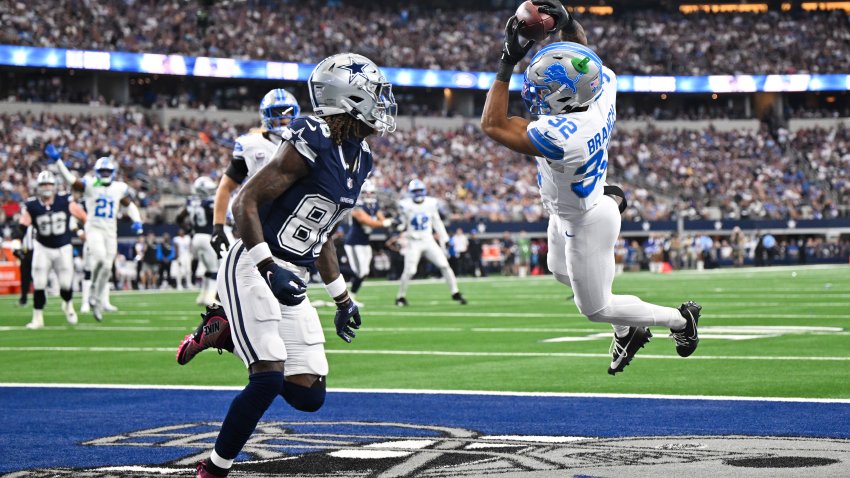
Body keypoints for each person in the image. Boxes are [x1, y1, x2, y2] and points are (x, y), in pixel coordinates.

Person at [191, 53, 396, 478]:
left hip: (294, 274)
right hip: (253, 261)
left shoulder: (361, 157)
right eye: (375, 95)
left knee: (309, 394)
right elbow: (245, 200)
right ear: (349, 97)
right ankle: (213, 469)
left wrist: (342, 299)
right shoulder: (311, 134)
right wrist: (269, 268)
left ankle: (227, 334)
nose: (382, 104)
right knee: (266, 378)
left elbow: (322, 233)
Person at [479, 1, 700, 375]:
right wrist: (567, 22)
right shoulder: (602, 86)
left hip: (584, 217)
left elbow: (493, 124)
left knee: (594, 307)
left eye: (544, 88)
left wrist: (506, 60)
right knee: (558, 270)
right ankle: (628, 328)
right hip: (572, 204)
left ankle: (681, 321)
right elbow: (581, 58)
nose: (535, 92)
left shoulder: (564, 136)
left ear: (565, 98)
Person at [46, 147, 144, 321]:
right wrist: (58, 161)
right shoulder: (90, 184)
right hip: (94, 229)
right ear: (97, 172)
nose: (105, 173)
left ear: (112, 172)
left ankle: (97, 301)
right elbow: (71, 180)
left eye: (108, 171)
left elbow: (129, 205)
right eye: (102, 171)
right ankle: (91, 291)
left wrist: (137, 220)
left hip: (111, 231)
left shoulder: (118, 188)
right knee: (98, 258)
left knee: (107, 267)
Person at [209, 88, 301, 261]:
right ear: (265, 116)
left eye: (288, 113)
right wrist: (218, 226)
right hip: (258, 222)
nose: (283, 118)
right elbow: (226, 187)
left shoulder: (305, 143)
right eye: (277, 113)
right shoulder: (252, 144)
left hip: (293, 224)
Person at [17, 171, 87, 328]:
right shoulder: (32, 205)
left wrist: (86, 232)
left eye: (49, 184)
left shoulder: (65, 201)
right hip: (42, 247)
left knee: (65, 284)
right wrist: (18, 235)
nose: (46, 187)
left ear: (54, 186)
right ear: (38, 187)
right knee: (39, 283)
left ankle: (68, 304)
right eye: (43, 184)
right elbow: (22, 226)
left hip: (63, 247)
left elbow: (84, 217)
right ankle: (37, 318)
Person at [394, 179, 467, 306]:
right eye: (415, 191)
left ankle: (455, 292)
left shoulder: (430, 203)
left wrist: (445, 239)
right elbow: (402, 224)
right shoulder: (405, 205)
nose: (417, 194)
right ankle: (400, 296)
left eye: (419, 191)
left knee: (444, 265)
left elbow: (437, 222)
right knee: (410, 271)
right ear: (411, 192)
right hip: (413, 242)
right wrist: (398, 226)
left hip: (428, 240)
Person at [343, 179, 392, 306]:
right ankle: (346, 294)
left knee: (364, 272)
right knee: (361, 272)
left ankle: (351, 296)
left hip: (365, 243)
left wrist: (389, 222)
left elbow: (381, 218)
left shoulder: (374, 205)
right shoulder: (357, 206)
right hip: (354, 243)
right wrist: (385, 223)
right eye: (367, 193)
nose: (369, 195)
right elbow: (369, 222)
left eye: (371, 193)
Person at [178, 176, 219, 305]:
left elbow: (179, 218)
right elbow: (217, 217)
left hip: (195, 237)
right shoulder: (209, 202)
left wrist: (189, 231)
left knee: (208, 268)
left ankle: (202, 296)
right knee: (215, 269)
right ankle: (210, 298)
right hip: (207, 237)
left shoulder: (191, 202)